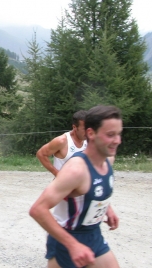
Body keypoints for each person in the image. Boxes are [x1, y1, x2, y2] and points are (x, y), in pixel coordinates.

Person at [29, 105, 122, 268]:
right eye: (110, 135)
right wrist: (73, 245)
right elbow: (38, 209)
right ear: (91, 133)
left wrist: (108, 209)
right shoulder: (76, 170)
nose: (117, 140)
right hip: (67, 238)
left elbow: (93, 190)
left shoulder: (108, 160)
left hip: (93, 234)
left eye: (118, 134)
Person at [36, 110, 87, 176]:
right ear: (74, 127)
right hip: (65, 185)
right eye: (84, 129)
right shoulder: (62, 141)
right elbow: (41, 154)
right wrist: (56, 173)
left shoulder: (89, 140)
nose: (88, 131)